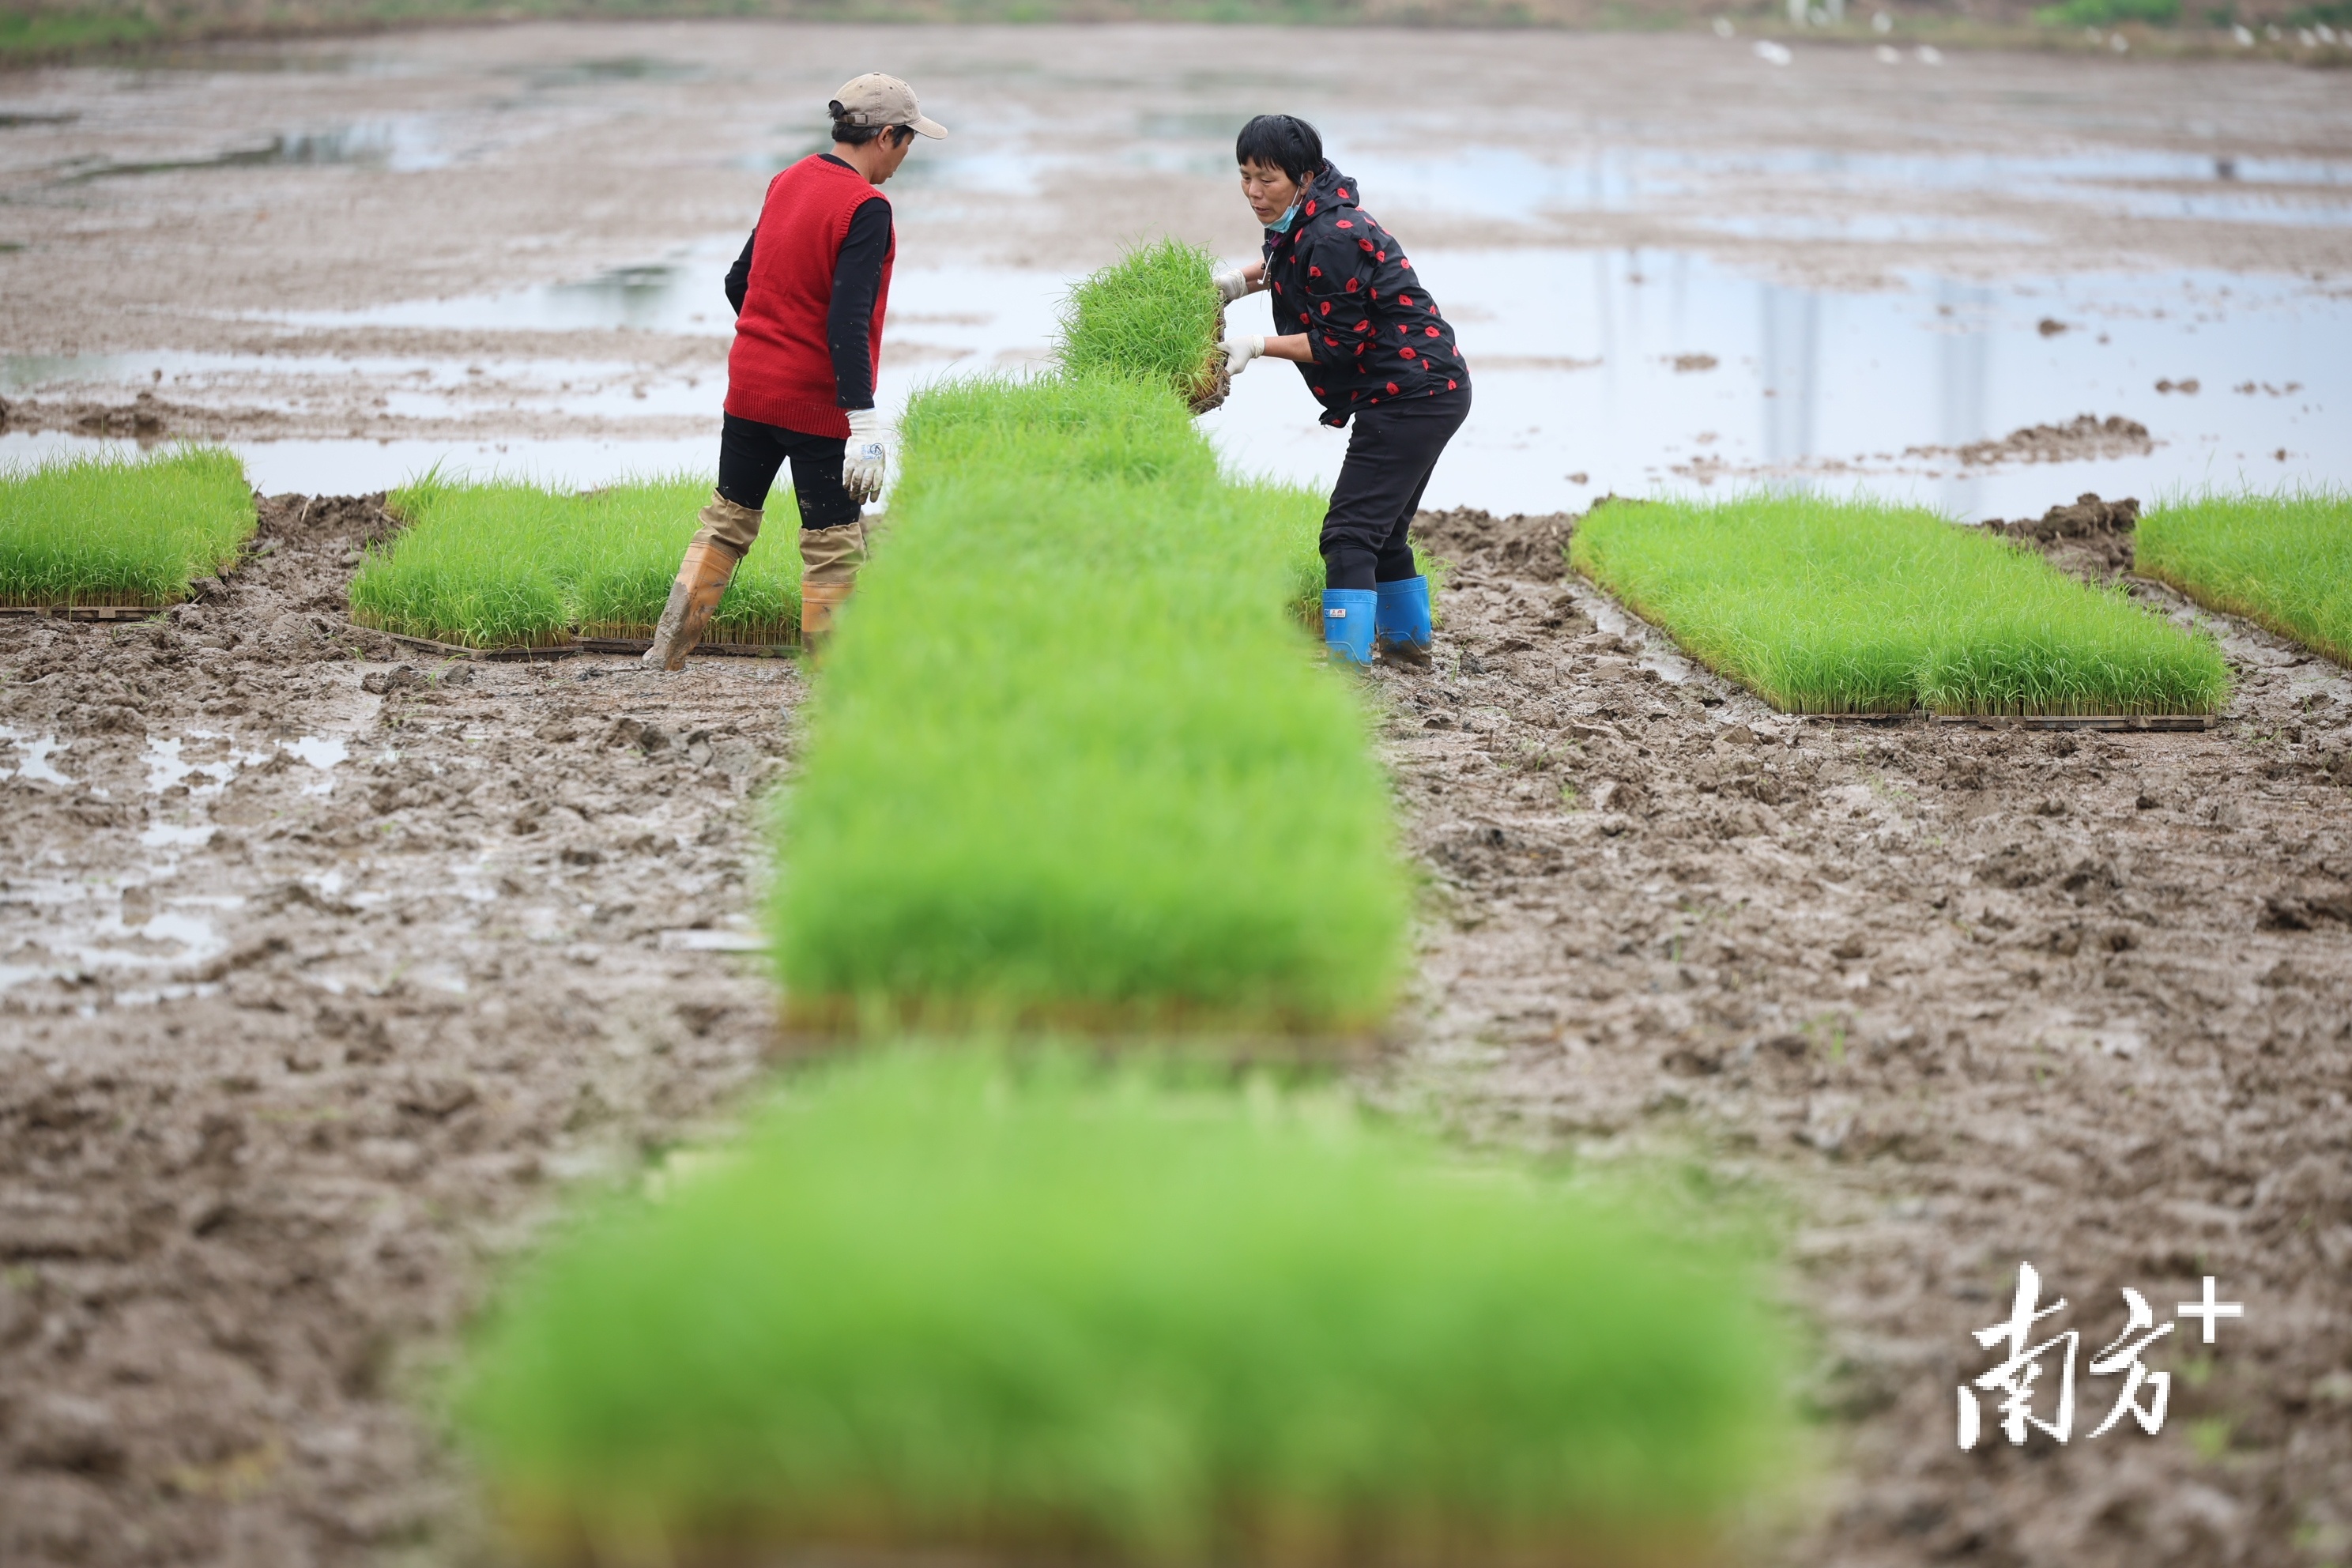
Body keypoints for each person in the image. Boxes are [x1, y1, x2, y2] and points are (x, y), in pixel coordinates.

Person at [643, 73, 946, 669]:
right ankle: (831, 675)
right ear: (886, 135)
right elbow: (847, 325)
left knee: (727, 521)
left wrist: (774, 343)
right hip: (815, 404)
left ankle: (665, 655)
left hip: (750, 390)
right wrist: (863, 424)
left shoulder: (789, 180)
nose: (906, 157)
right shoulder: (867, 208)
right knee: (833, 545)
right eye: (908, 142)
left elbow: (739, 283)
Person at [1212, 115, 1470, 668]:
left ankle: (1348, 669)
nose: (1254, 192)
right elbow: (1287, 259)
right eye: (1245, 176)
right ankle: (1408, 651)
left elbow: (1338, 344)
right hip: (1429, 387)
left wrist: (1257, 345)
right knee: (1384, 533)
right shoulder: (1308, 216)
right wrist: (1237, 283)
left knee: (1348, 536)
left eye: (1268, 179)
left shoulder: (1332, 234)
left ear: (1303, 177)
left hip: (1410, 392)